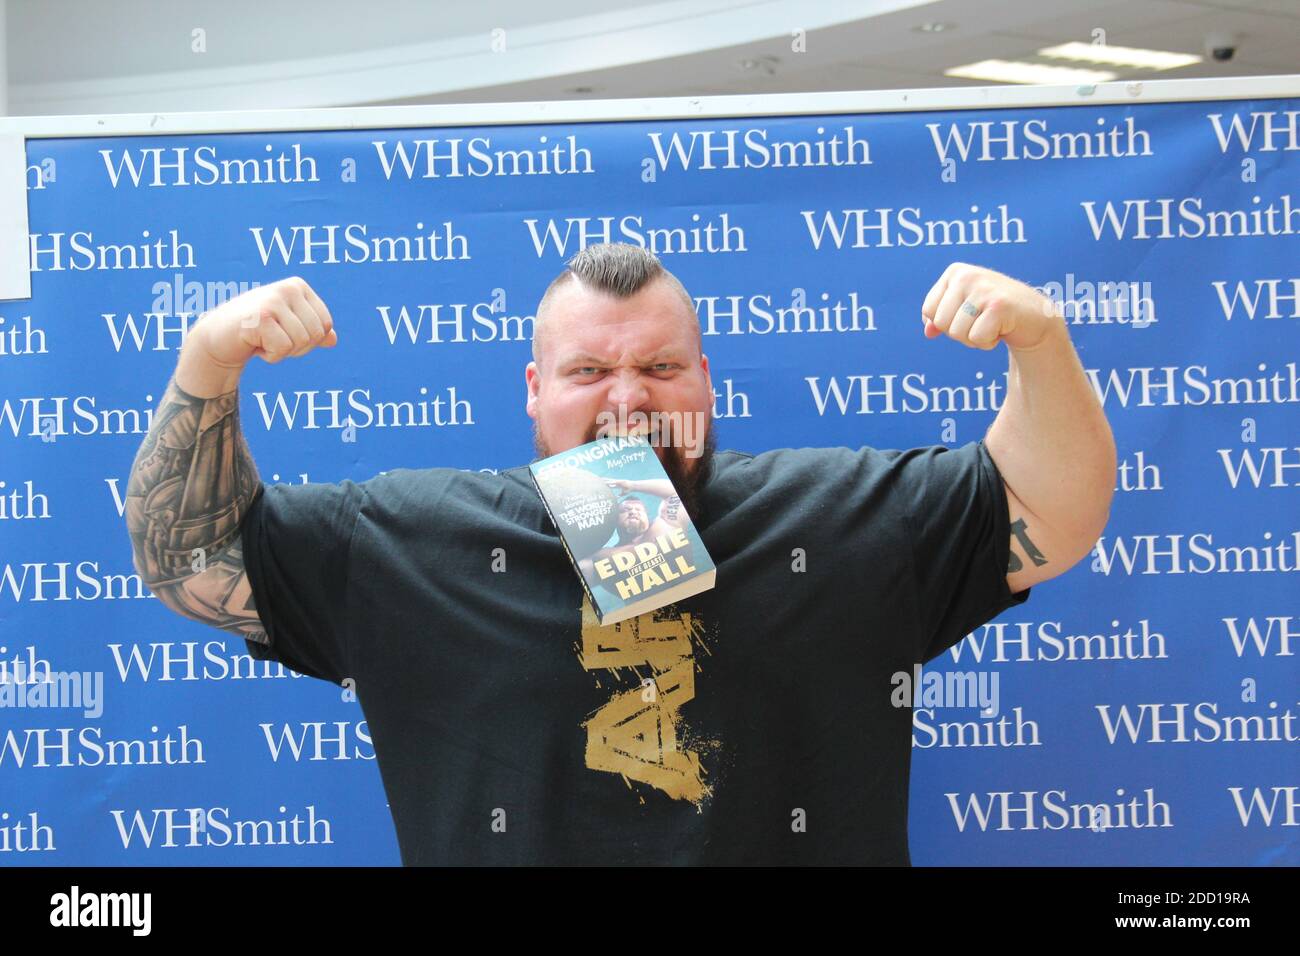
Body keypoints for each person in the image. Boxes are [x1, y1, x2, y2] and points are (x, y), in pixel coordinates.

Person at [125, 242, 1116, 865]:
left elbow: (1050, 510)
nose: (628, 400)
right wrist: (207, 360)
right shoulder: (414, 539)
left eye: (659, 366)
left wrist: (1043, 343)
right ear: (533, 388)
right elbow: (192, 558)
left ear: (705, 378)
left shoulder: (838, 516)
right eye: (589, 369)